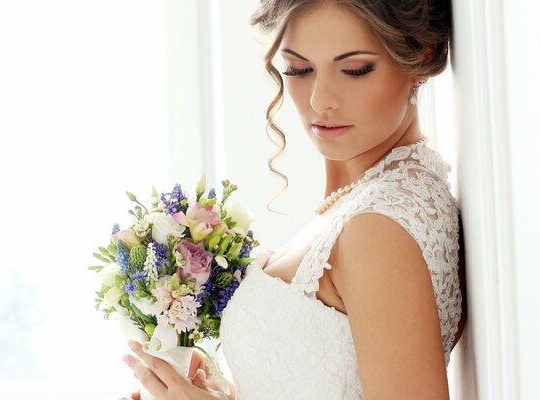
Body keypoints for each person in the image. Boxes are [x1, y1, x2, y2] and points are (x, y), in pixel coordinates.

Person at [119, 0, 466, 398]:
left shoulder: (380, 227)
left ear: (422, 57)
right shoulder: (363, 198)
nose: (320, 100)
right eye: (298, 69)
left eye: (354, 70)